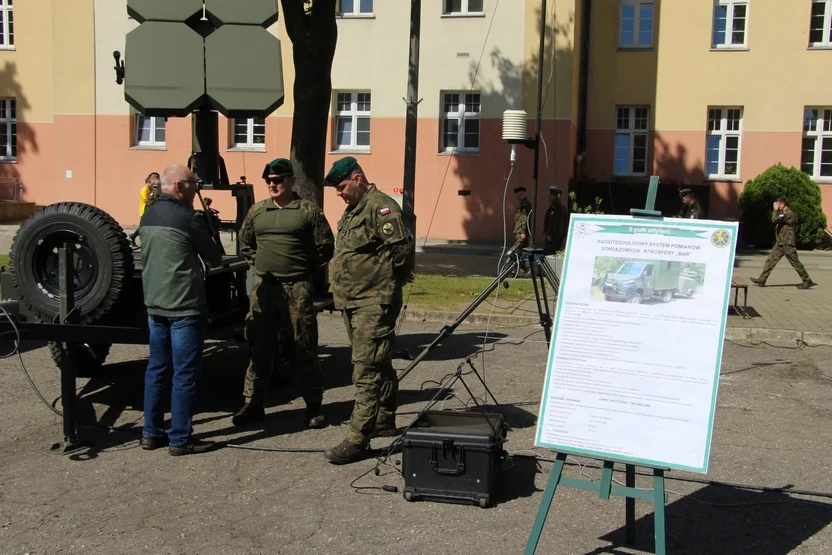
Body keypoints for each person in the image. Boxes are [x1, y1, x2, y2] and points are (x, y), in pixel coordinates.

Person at [321, 156, 414, 465]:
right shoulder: (352, 213)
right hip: (353, 300)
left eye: (342, 185)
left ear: (357, 178)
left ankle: (358, 438)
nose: (339, 192)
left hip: (373, 301)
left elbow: (401, 250)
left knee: (366, 369)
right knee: (379, 361)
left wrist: (386, 285)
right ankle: (384, 419)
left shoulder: (381, 207)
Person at [231, 158, 335, 428]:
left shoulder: (308, 211)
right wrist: (260, 267)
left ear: (291, 181)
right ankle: (253, 403)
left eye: (277, 180)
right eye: (269, 180)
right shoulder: (257, 211)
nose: (272, 184)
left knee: (304, 347)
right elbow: (246, 242)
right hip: (264, 289)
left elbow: (325, 247)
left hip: (296, 288)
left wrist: (302, 268)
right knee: (259, 347)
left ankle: (313, 406)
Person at [139, 164, 223, 456]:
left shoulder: (147, 215)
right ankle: (180, 439)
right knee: (184, 374)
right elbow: (216, 258)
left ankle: (150, 432)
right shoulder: (188, 219)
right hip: (184, 307)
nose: (197, 189)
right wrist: (212, 231)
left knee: (157, 370)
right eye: (193, 184)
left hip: (155, 305)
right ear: (178, 186)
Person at [750, 197, 815, 289]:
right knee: (770, 260)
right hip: (781, 243)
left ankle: (807, 280)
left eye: (779, 204)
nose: (777, 205)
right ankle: (762, 279)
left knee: (795, 262)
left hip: (787, 243)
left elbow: (774, 220)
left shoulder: (788, 214)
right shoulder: (783, 214)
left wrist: (775, 210)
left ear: (784, 204)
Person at [130, 172, 160, 246]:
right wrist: (153, 201)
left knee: (144, 226)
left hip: (147, 210)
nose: (151, 185)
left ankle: (133, 236)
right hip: (144, 210)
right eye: (150, 183)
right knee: (143, 227)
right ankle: (134, 236)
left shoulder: (150, 189)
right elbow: (146, 200)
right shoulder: (145, 190)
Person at [543, 186, 568, 255]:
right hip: (558, 235)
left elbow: (553, 221)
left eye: (550, 195)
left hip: (554, 236)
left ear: (553, 196)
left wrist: (549, 234)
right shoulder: (559, 206)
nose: (549, 198)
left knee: (549, 254)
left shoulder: (556, 207)